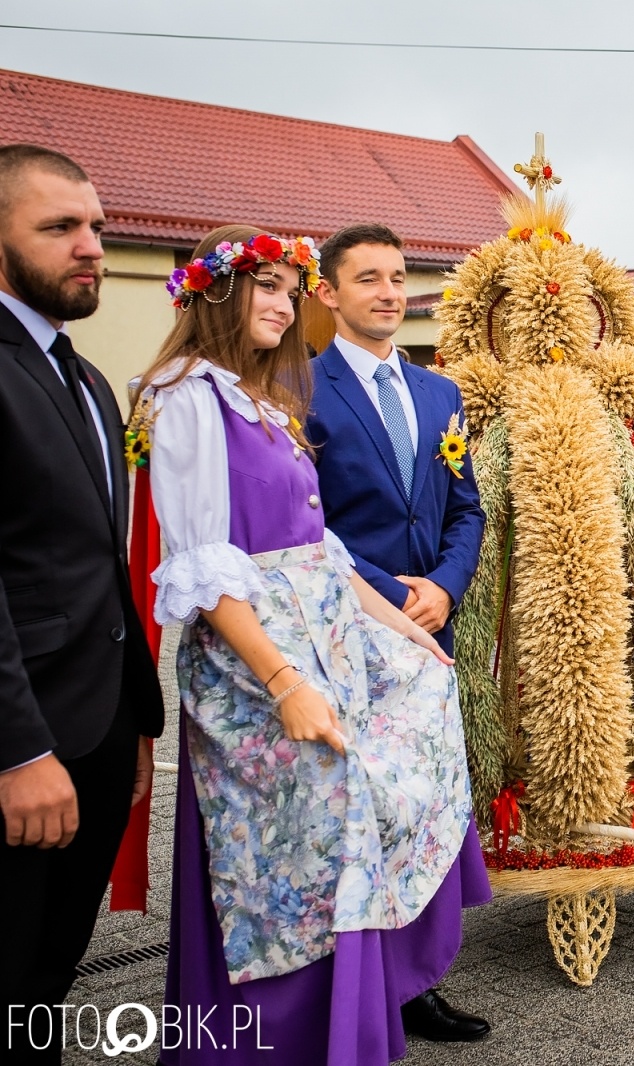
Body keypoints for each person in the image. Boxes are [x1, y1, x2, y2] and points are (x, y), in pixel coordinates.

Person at [137, 226, 475, 1065]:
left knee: (354, 825)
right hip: (258, 665)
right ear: (216, 292)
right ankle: (261, 1040)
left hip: (329, 638)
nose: (285, 307)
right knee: (294, 847)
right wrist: (285, 682)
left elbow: (320, 548)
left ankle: (345, 1025)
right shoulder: (182, 395)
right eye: (268, 288)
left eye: (291, 291)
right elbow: (203, 569)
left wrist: (402, 630)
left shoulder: (263, 399)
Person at [306, 222, 491, 1041]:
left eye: (398, 277)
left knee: (424, 810)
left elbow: (465, 508)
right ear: (329, 294)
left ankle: (418, 981)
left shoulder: (439, 394)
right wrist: (391, 593)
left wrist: (445, 590)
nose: (389, 292)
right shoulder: (299, 391)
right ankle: (359, 985)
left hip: (429, 633)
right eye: (369, 278)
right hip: (346, 631)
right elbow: (306, 526)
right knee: (363, 812)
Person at [0, 144, 164, 1065]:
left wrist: (136, 723)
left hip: (99, 729)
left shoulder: (88, 378)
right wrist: (18, 749)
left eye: (96, 225)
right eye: (59, 228)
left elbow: (98, 564)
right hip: (24, 744)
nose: (92, 246)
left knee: (49, 978)